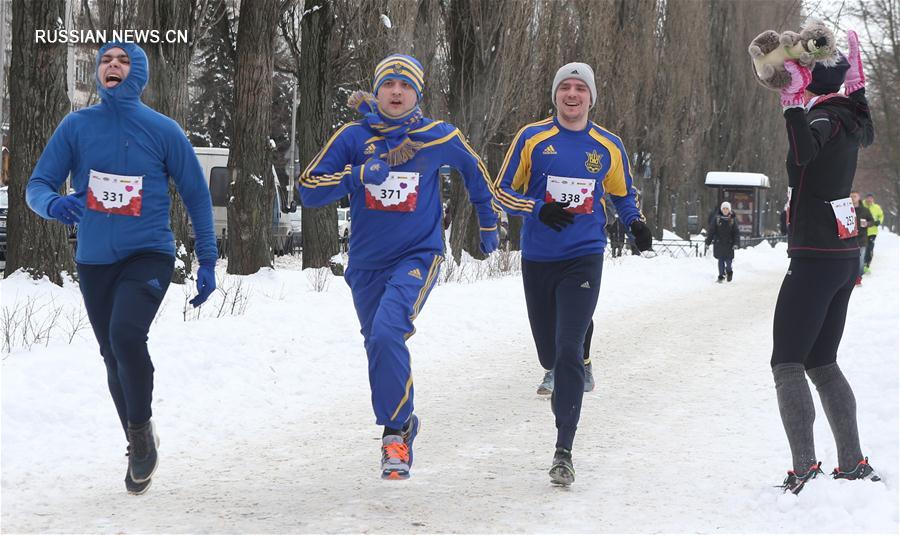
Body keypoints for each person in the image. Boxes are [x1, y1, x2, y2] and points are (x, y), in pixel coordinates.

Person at [26, 42, 217, 495]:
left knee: (126, 336)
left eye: (123, 60)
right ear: (97, 72)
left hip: (148, 252)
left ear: (140, 74)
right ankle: (140, 435)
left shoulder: (163, 129)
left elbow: (196, 194)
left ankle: (140, 437)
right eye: (105, 60)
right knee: (112, 355)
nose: (112, 65)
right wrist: (54, 204)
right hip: (94, 261)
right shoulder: (76, 126)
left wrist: (207, 259)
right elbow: (36, 185)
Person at [298, 54, 499, 480]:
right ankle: (404, 419)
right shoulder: (354, 136)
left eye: (405, 86)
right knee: (379, 342)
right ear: (378, 90)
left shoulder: (437, 136)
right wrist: (355, 176)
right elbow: (307, 189)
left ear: (417, 94)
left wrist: (487, 221)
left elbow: (476, 171)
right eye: (388, 84)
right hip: (366, 266)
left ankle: (394, 436)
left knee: (389, 330)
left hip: (418, 256)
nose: (396, 92)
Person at [494, 62, 652, 486]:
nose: (572, 94)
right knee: (550, 353)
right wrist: (537, 208)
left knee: (565, 351)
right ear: (555, 95)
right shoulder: (532, 138)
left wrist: (635, 223)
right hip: (539, 258)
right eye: (565, 87)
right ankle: (579, 345)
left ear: (590, 97)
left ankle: (564, 449)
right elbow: (501, 190)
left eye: (580, 88)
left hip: (585, 254)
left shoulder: (608, 145)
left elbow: (621, 195)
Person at [771, 31, 879, 495]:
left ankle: (804, 469)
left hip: (815, 254)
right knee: (823, 361)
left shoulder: (825, 118)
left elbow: (801, 157)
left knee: (787, 362)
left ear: (813, 83)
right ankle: (852, 462)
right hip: (840, 255)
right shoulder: (851, 117)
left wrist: (793, 107)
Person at [705, 201, 740, 282]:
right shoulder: (717, 219)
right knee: (720, 260)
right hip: (719, 243)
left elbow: (736, 232)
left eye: (727, 209)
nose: (725, 210)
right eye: (723, 208)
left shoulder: (732, 220)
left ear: (729, 210)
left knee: (728, 261)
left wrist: (736, 243)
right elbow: (712, 231)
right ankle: (721, 276)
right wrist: (708, 242)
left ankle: (729, 271)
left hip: (729, 244)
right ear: (721, 209)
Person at [850, 191, 873, 285]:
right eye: (851, 196)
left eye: (854, 196)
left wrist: (867, 224)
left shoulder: (865, 210)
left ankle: (858, 279)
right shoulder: (846, 209)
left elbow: (871, 221)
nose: (852, 198)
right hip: (849, 239)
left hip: (862, 239)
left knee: (860, 260)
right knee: (850, 260)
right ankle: (849, 278)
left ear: (859, 197)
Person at [862, 192, 883, 270]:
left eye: (871, 198)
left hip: (873, 232)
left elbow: (881, 215)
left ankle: (867, 264)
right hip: (862, 231)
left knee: (869, 248)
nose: (869, 200)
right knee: (862, 248)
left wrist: (879, 221)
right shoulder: (862, 205)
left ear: (873, 199)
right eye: (868, 198)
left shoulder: (876, 207)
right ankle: (861, 263)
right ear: (866, 198)